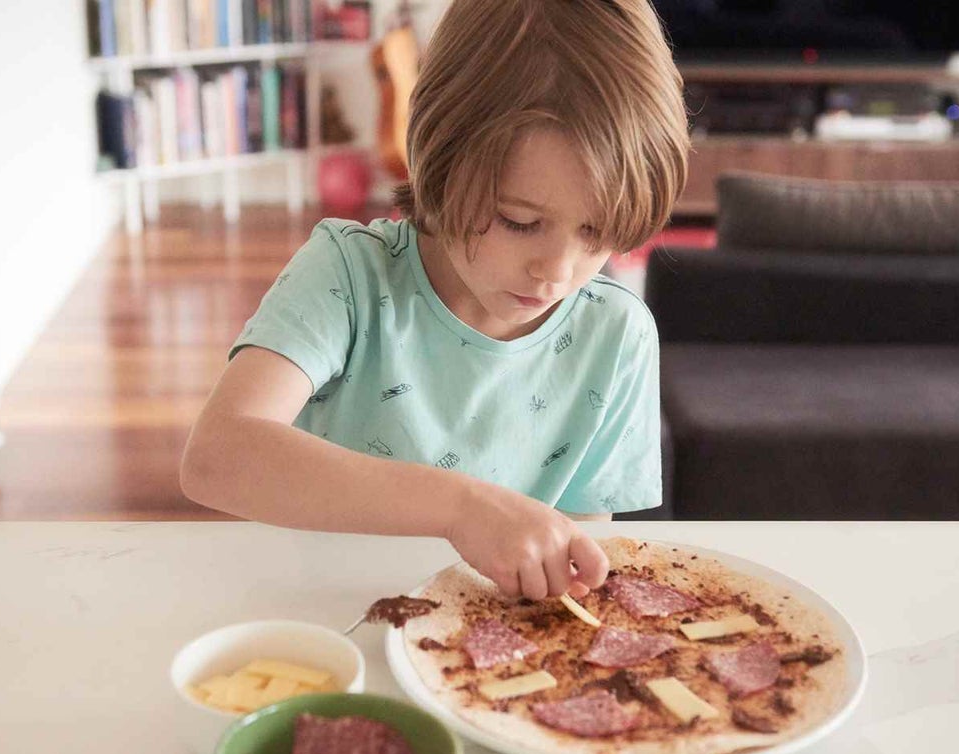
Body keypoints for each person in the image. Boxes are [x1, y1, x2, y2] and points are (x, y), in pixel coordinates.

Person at [180, 0, 690, 602]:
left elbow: (579, 559)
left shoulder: (619, 333)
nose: (557, 271)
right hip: (329, 616)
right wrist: (459, 507)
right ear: (438, 159)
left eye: (597, 235)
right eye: (518, 221)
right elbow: (217, 457)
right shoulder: (349, 274)